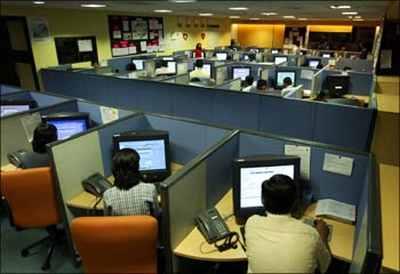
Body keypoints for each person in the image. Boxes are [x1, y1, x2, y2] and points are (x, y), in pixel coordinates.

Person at [245, 175, 331, 273]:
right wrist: (322, 236)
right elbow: (325, 265)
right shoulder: (310, 234)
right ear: (295, 202)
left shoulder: (251, 223)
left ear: (262, 200)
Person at [103, 148, 158, 216]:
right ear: (137, 168)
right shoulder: (150, 189)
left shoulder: (108, 195)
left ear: (114, 171)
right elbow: (156, 214)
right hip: (143, 226)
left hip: (119, 227)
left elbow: (107, 220)